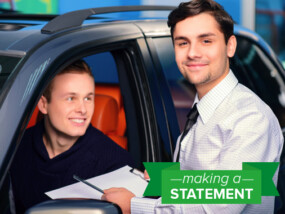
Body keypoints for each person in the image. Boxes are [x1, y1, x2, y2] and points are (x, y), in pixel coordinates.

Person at [101, 0, 284, 213]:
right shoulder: (203, 108)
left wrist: (134, 206)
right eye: (182, 43)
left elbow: (221, 206)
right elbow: (221, 182)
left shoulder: (250, 119)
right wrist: (168, 179)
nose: (192, 53)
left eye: (206, 41)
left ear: (230, 46)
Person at [9, 60, 134, 214]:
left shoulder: (115, 163)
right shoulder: (12, 148)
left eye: (88, 98)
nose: (82, 109)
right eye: (70, 98)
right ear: (43, 104)